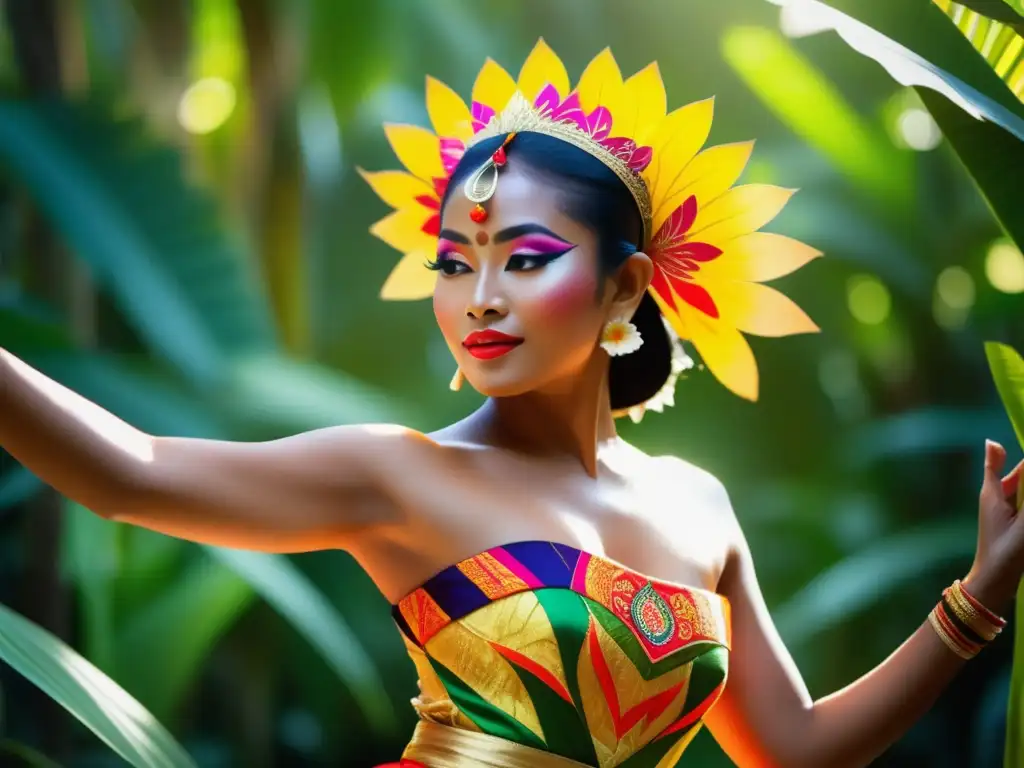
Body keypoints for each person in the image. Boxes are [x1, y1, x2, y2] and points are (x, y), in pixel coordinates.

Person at [1, 40, 1022, 768]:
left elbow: (793, 751)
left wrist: (979, 595)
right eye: (455, 263)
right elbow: (126, 475)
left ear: (625, 288)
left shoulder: (698, 504)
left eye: (524, 260)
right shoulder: (398, 475)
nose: (479, 298)